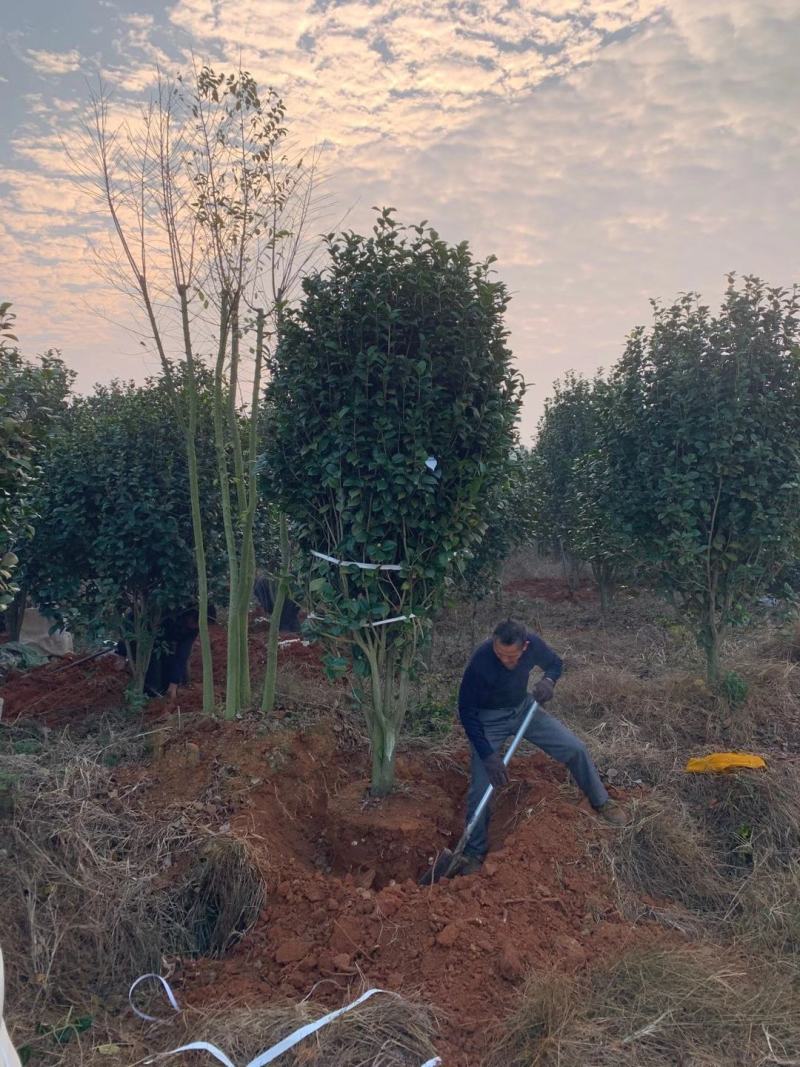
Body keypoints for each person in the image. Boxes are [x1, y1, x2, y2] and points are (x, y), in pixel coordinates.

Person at [458, 618, 626, 874]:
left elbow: (555, 664)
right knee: (482, 786)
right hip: (488, 720)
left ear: (525, 647)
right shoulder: (481, 661)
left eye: (511, 656)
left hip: (524, 709)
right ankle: (473, 851)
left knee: (575, 748)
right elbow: (467, 711)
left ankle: (602, 802)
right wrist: (488, 755)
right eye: (500, 654)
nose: (505, 661)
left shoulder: (533, 644)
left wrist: (548, 681)